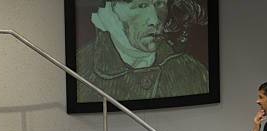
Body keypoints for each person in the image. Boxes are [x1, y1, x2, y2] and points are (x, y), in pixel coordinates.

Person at [76, 0, 208, 103]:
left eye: (159, 4)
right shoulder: (81, 72)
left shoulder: (194, 72)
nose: (155, 20)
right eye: (141, 5)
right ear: (112, 8)